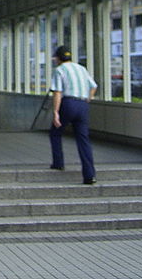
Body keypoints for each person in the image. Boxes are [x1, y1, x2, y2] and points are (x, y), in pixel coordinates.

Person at [48, 45, 98, 184]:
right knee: (83, 139)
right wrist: (88, 98)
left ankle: (58, 163)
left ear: (58, 58)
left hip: (68, 103)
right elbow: (94, 86)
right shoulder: (81, 68)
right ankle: (89, 175)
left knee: (55, 132)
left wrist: (56, 112)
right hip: (82, 105)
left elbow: (57, 92)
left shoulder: (59, 70)